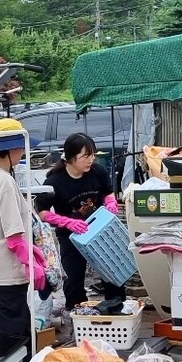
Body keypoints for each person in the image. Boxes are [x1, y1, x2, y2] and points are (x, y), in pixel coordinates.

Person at [0, 117, 41, 359]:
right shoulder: (4, 181)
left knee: (15, 324)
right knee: (15, 333)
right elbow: (14, 234)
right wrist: (31, 262)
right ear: (12, 149)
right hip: (6, 271)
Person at [35, 132, 121, 309]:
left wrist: (111, 203)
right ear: (71, 158)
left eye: (92, 155)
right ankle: (77, 314)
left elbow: (108, 193)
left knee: (112, 272)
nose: (91, 160)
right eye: (86, 156)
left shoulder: (98, 172)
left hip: (99, 232)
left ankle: (117, 308)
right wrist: (67, 222)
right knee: (73, 279)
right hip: (71, 237)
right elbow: (42, 212)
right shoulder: (54, 181)